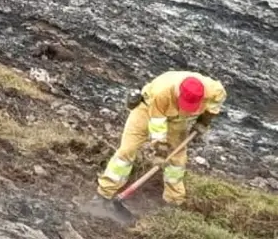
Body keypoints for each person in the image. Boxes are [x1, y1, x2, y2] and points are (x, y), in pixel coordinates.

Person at [92, 70, 226, 209]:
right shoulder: (162, 92)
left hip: (177, 119)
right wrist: (160, 152)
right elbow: (157, 124)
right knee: (127, 150)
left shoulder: (213, 90)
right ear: (178, 94)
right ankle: (104, 194)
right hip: (146, 110)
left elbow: (215, 104)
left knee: (177, 160)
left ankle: (173, 201)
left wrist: (203, 121)